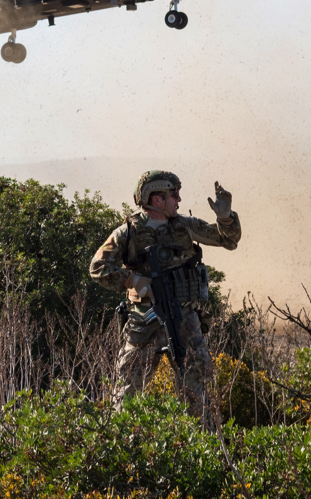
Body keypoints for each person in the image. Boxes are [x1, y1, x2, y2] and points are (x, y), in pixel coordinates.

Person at [89, 170, 241, 427]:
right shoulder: (128, 231)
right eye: (173, 194)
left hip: (184, 319)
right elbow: (98, 268)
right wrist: (133, 280)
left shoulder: (184, 225)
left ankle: (206, 448)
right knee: (128, 389)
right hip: (144, 320)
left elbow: (229, 242)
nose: (179, 199)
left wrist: (225, 218)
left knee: (198, 387)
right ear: (156, 199)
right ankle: (118, 445)